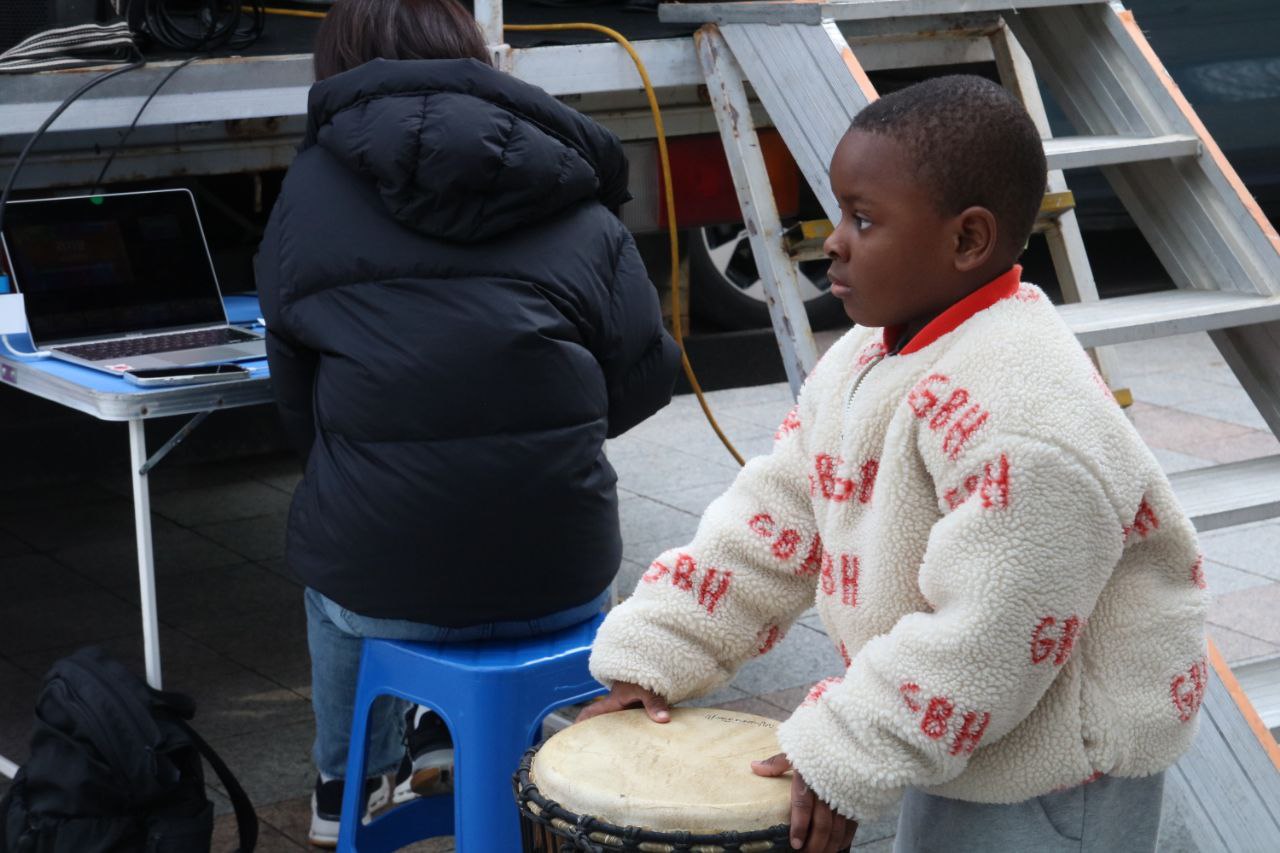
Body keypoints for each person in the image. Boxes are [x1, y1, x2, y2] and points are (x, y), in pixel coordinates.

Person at [582, 75, 1207, 853]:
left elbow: (989, 634)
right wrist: (657, 651)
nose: (832, 240)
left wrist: (847, 748)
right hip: (959, 738)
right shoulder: (867, 356)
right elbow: (773, 517)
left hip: (1055, 782)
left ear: (967, 240)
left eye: (864, 218)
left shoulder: (1027, 417)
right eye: (839, 212)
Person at [254, 0, 681, 845]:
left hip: (387, 585)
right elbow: (643, 375)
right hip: (563, 575)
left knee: (333, 571)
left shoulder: (311, 188)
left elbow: (298, 402)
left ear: (338, 65)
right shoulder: (567, 171)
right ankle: (515, 753)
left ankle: (349, 781)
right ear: (473, 51)